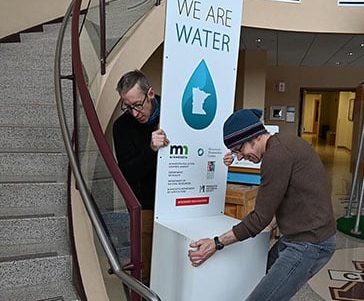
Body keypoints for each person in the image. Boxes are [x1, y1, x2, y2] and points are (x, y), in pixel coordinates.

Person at [188, 109, 336, 301]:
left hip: (310, 243)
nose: (239, 157)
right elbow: (294, 194)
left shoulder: (275, 157)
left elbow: (259, 218)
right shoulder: (287, 143)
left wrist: (216, 243)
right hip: (303, 235)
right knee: (258, 275)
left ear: (253, 138)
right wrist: (272, 222)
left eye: (238, 150)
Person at [113, 69, 169, 285]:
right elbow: (127, 173)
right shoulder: (122, 126)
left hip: (179, 200)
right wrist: (150, 149)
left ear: (151, 94)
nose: (134, 113)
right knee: (145, 268)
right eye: (127, 107)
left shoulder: (175, 111)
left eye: (137, 105)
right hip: (145, 205)